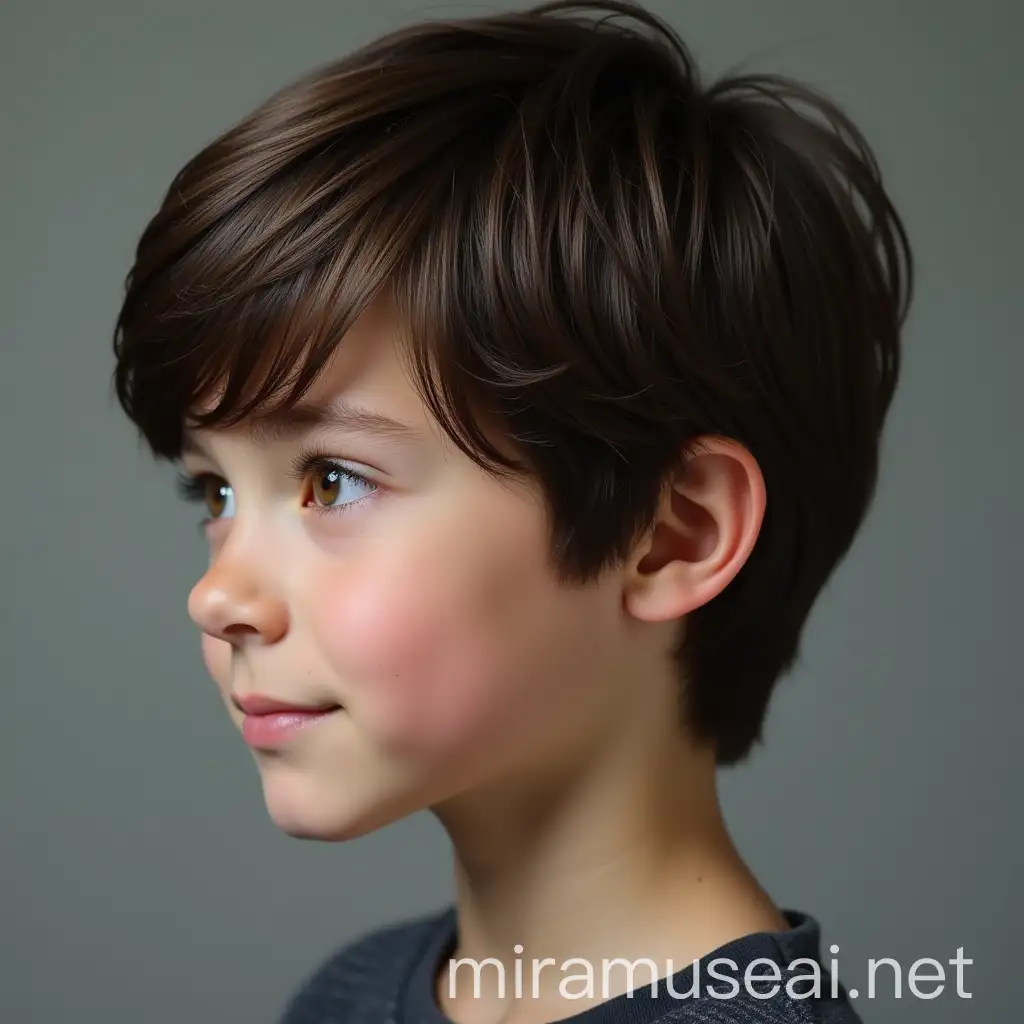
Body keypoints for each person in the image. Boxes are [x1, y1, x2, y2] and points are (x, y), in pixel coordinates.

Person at [111, 1, 912, 1020]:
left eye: (331, 481)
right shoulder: (346, 998)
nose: (217, 594)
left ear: (672, 533)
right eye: (215, 492)